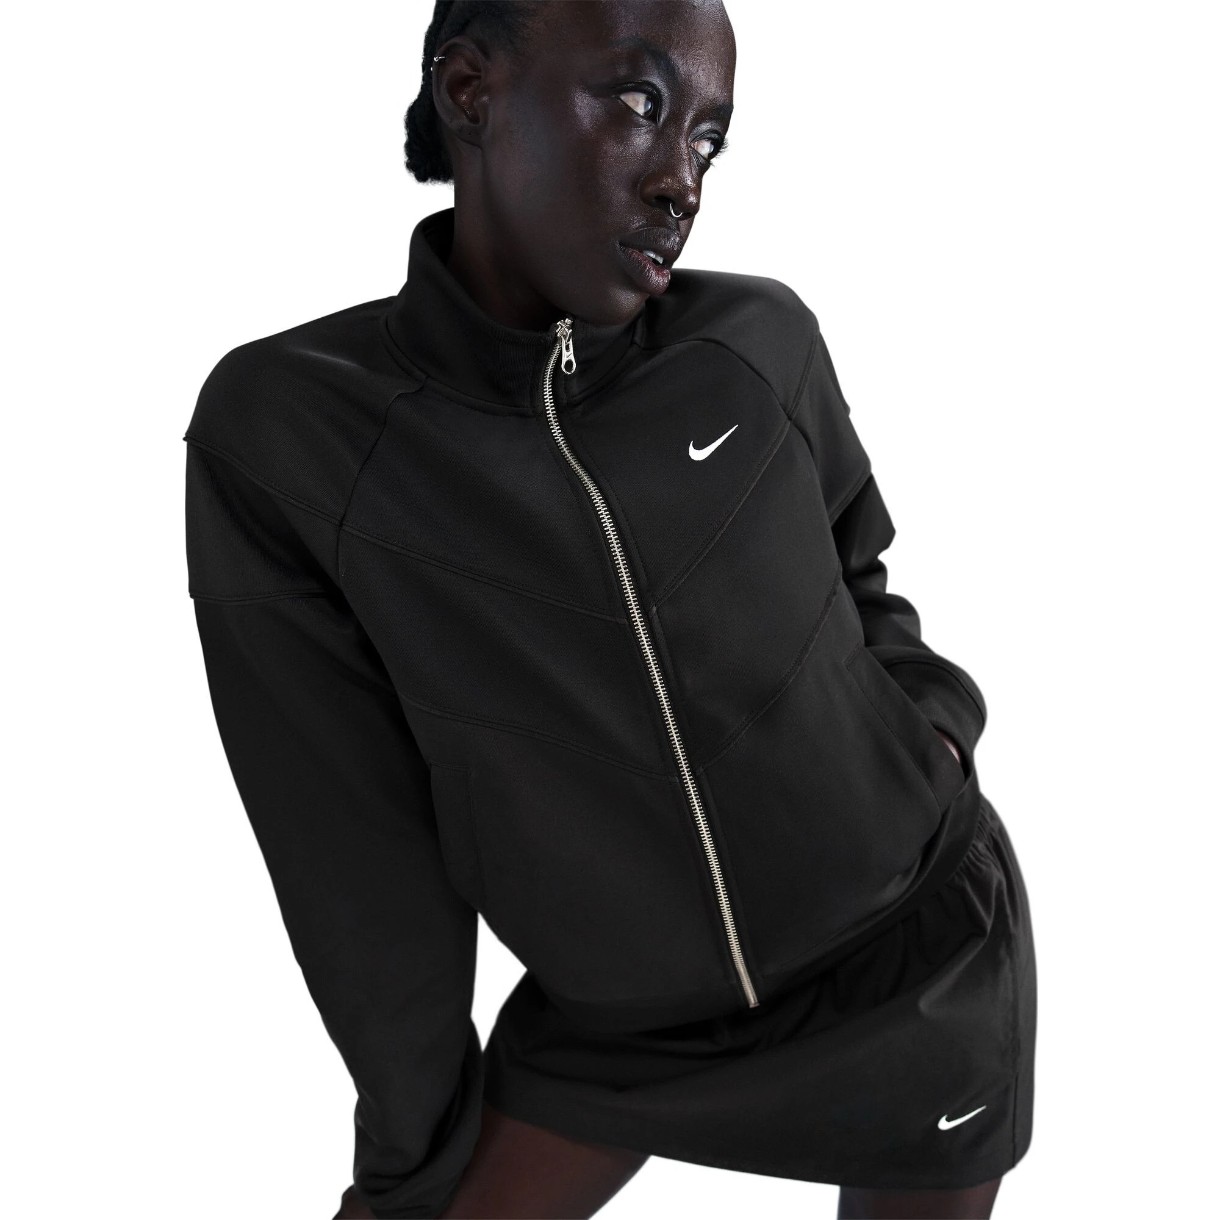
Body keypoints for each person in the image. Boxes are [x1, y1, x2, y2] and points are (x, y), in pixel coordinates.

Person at [182, 2, 1037, 1217]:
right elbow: (347, 842)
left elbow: (858, 578)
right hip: (618, 1028)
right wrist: (411, 1155)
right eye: (640, 104)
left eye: (708, 138)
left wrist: (933, 728)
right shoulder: (296, 433)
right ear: (469, 92)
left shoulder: (756, 339)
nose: (682, 179)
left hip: (918, 954)